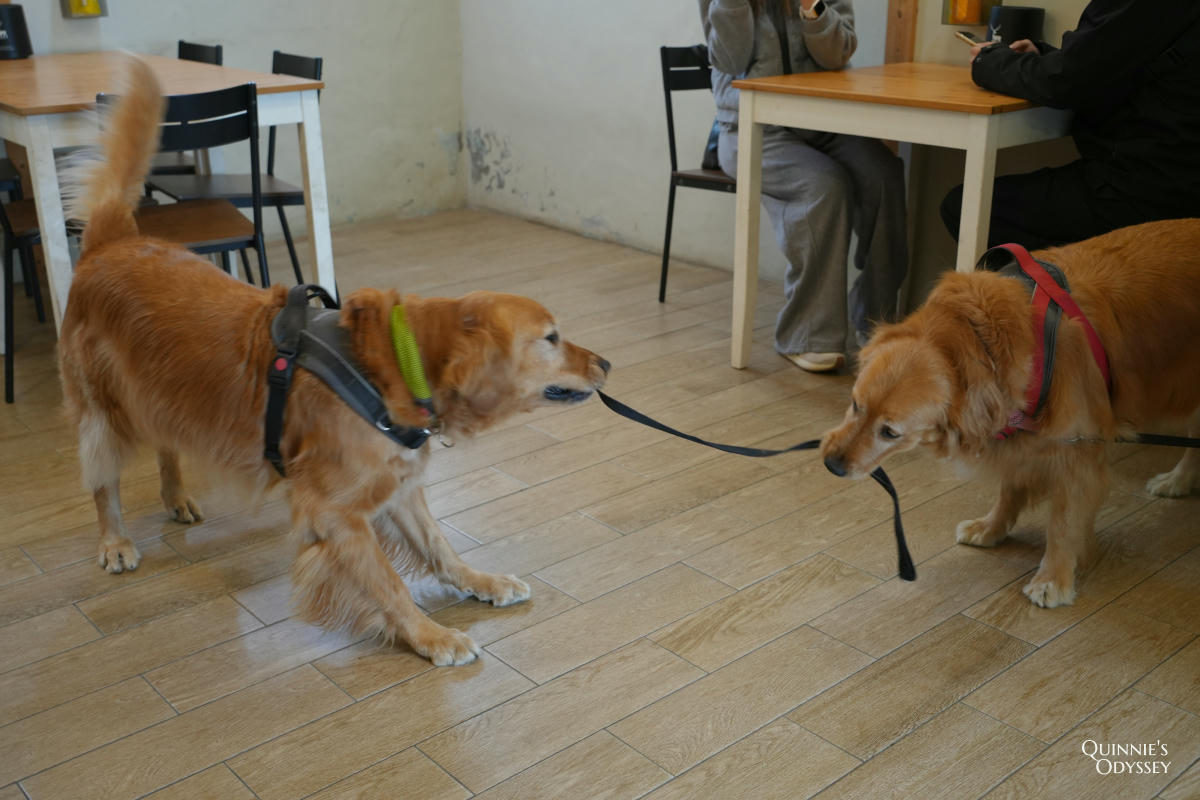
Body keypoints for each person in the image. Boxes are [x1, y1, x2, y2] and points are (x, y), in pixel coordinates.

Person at [700, 0, 908, 372]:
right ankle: (807, 333)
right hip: (751, 128)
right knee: (823, 185)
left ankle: (876, 321)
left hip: (823, 121)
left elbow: (837, 55)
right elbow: (729, 60)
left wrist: (813, 9)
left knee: (884, 176)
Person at [942, 1, 1200, 251]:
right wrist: (1044, 57)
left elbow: (1065, 83)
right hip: (1176, 178)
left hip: (1145, 189)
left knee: (969, 209)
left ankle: (1064, 292)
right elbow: (1105, 63)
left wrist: (989, 62)